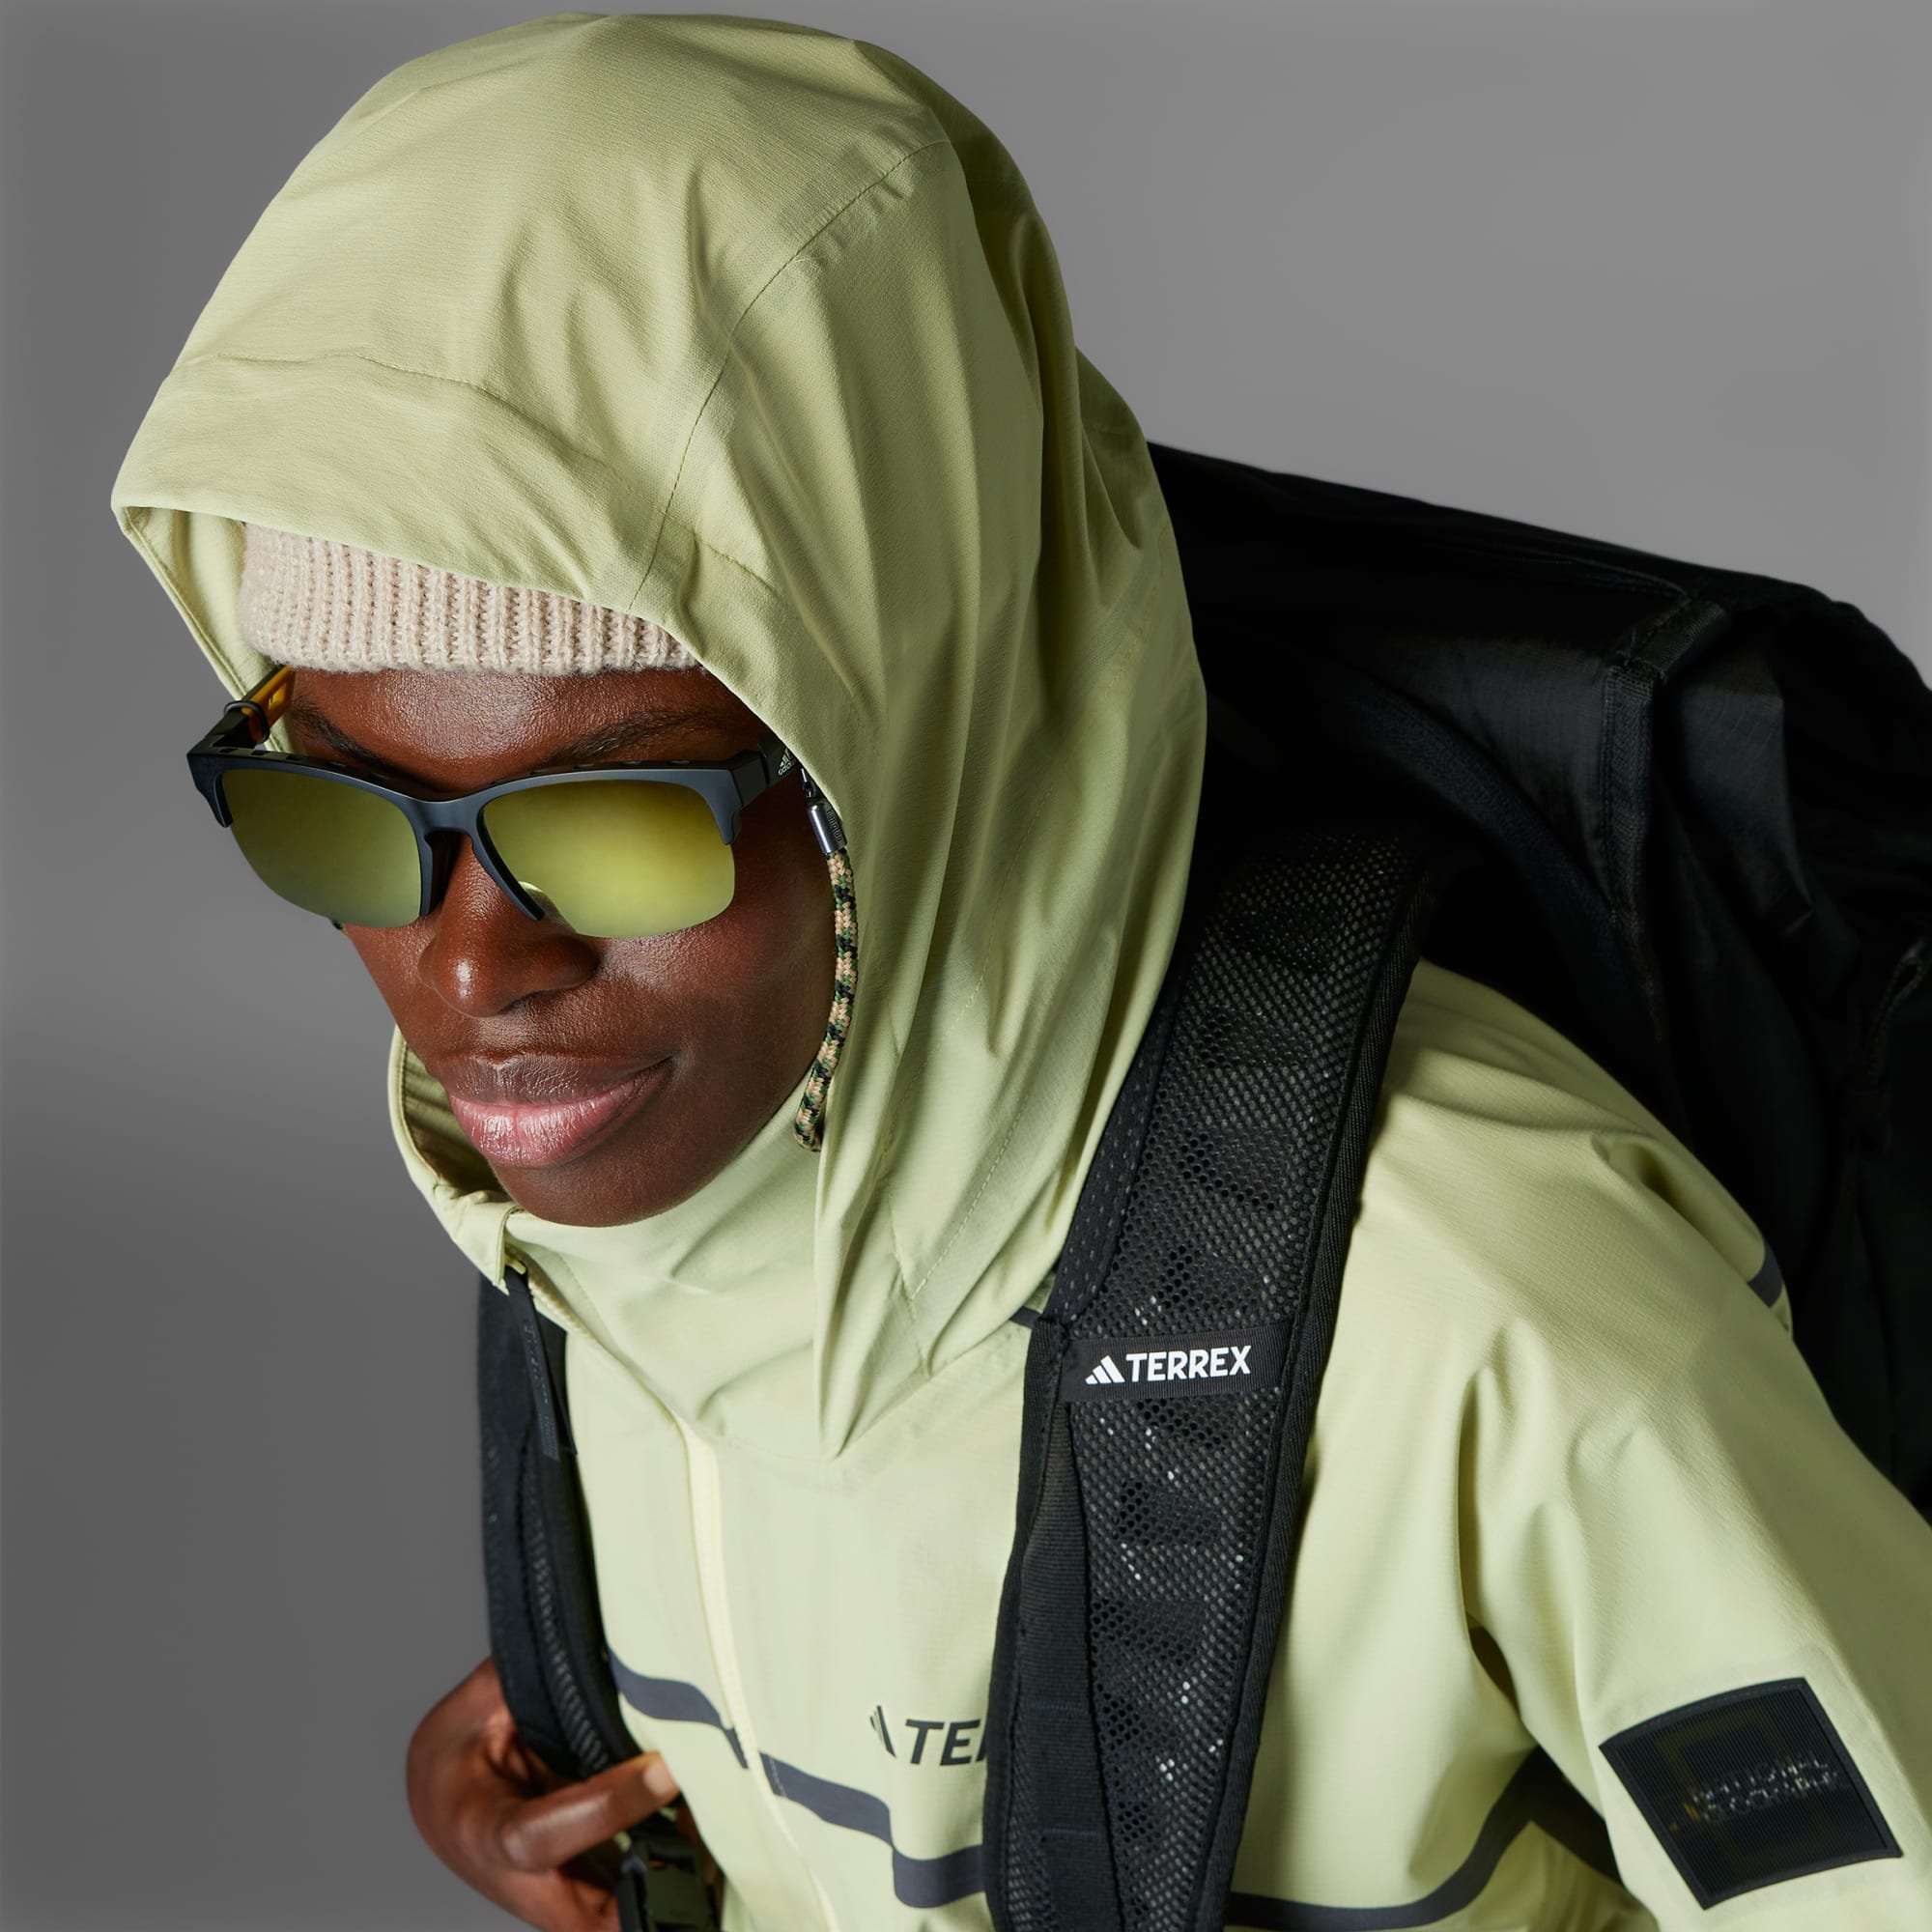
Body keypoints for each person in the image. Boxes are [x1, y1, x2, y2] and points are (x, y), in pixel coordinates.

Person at [110, 14, 1932, 1931]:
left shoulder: (1490, 1307)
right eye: (339, 818)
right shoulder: (612, 1218)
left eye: (618, 826)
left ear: (898, 754)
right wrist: (632, 1787)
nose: (473, 966)